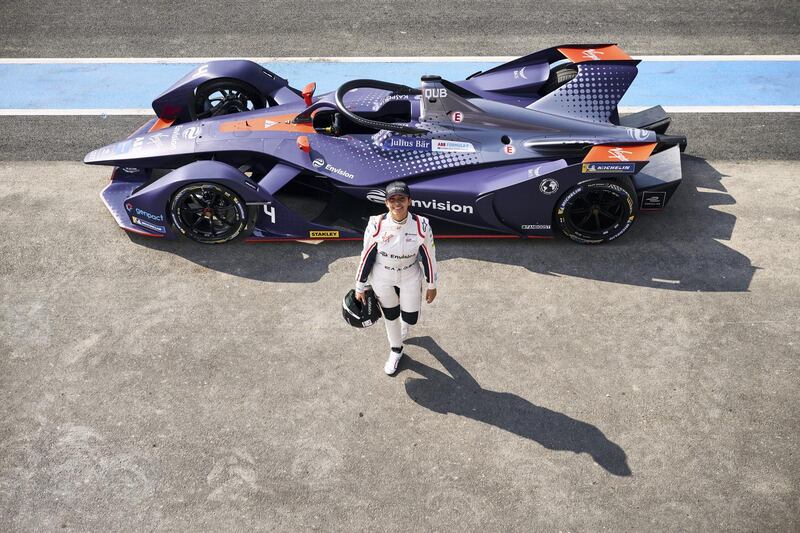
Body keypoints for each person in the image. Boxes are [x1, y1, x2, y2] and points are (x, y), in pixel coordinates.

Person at [355, 181, 438, 375]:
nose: (397, 203)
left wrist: (432, 284)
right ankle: (396, 350)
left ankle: (404, 327)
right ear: (386, 203)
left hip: (410, 274)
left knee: (411, 318)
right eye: (392, 199)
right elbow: (366, 255)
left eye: (401, 199)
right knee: (390, 314)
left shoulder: (422, 225)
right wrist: (360, 285)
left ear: (409, 201)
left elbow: (429, 256)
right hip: (382, 275)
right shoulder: (376, 224)